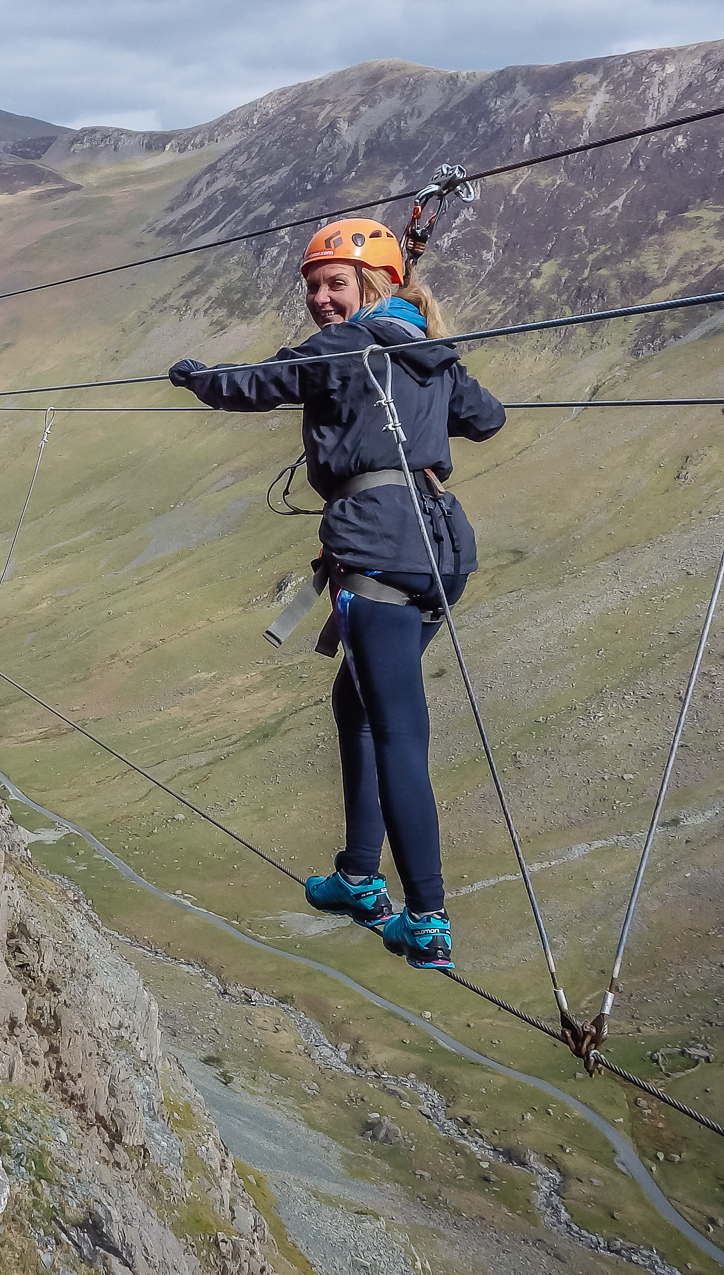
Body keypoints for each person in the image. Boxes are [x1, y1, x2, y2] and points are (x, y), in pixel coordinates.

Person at [168, 218, 504, 971]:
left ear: (370, 287)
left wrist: (193, 376)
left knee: (396, 732)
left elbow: (254, 385)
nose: (321, 298)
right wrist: (430, 363)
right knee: (356, 704)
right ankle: (356, 874)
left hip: (378, 552)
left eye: (334, 284)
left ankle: (425, 920)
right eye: (313, 286)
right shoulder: (425, 350)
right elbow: (487, 419)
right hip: (440, 552)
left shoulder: (345, 345)